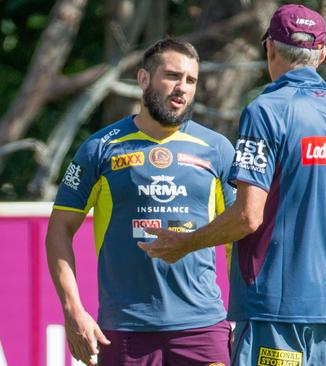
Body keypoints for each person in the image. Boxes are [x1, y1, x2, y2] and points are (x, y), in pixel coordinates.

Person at [139, 4, 326, 366]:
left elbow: (248, 216)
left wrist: (183, 244)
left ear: (269, 48)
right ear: (323, 54)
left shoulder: (266, 111)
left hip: (274, 312)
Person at [46, 38, 235, 366]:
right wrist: (73, 309)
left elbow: (238, 237)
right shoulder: (100, 148)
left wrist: (244, 315)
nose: (182, 88)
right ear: (144, 79)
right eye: (173, 76)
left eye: (191, 80)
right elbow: (59, 229)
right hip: (125, 331)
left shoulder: (217, 149)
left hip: (203, 329)